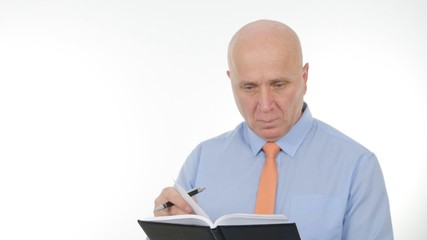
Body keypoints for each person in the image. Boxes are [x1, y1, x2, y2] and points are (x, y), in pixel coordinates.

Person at [153, 19, 393, 239]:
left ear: (304, 78)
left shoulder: (357, 166)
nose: (265, 106)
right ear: (231, 82)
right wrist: (166, 231)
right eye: (249, 87)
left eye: (279, 85)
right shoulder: (201, 159)